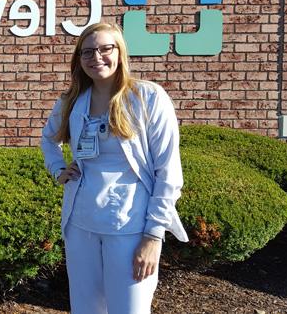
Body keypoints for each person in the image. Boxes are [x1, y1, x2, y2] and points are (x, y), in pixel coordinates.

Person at [40, 22, 188, 314]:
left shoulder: (148, 98)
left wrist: (153, 236)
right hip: (80, 224)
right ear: (79, 60)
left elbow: (168, 172)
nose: (96, 57)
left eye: (105, 48)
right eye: (87, 52)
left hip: (129, 227)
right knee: (85, 309)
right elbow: (48, 139)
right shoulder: (72, 100)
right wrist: (58, 169)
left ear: (120, 52)